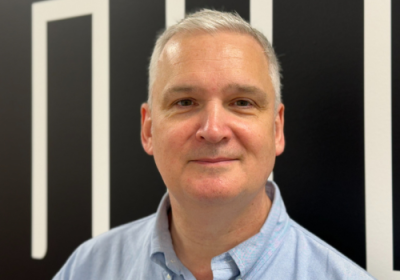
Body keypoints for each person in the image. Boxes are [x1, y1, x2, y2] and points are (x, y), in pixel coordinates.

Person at [54, 9, 376, 280]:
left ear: (276, 129)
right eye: (185, 102)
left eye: (241, 102)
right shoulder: (87, 268)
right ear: (149, 128)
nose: (213, 130)